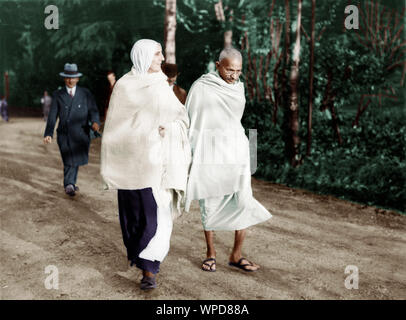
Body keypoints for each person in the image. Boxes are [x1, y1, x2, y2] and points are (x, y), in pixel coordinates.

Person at [100, 39, 191, 290]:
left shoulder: (162, 85)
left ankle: (150, 270)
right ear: (142, 56)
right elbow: (115, 128)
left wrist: (169, 128)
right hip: (132, 166)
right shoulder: (124, 86)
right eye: (157, 54)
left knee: (158, 216)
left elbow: (182, 118)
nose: (161, 59)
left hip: (158, 165)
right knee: (135, 218)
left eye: (161, 54)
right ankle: (142, 261)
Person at [185, 47, 272, 273]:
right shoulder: (202, 86)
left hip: (236, 150)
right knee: (210, 201)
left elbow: (235, 120)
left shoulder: (238, 88)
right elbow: (191, 119)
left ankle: (236, 254)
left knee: (243, 201)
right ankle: (210, 253)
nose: (234, 75)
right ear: (217, 65)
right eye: (229, 69)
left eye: (238, 71)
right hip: (210, 151)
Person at [43, 63, 100, 196]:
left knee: (75, 159)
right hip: (64, 134)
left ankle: (71, 183)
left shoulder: (85, 93)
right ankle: (69, 184)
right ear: (64, 79)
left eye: (73, 77)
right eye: (68, 77)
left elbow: (93, 110)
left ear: (77, 79)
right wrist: (48, 133)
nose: (70, 80)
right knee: (69, 157)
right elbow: (52, 115)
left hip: (81, 133)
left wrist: (96, 122)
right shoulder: (58, 94)